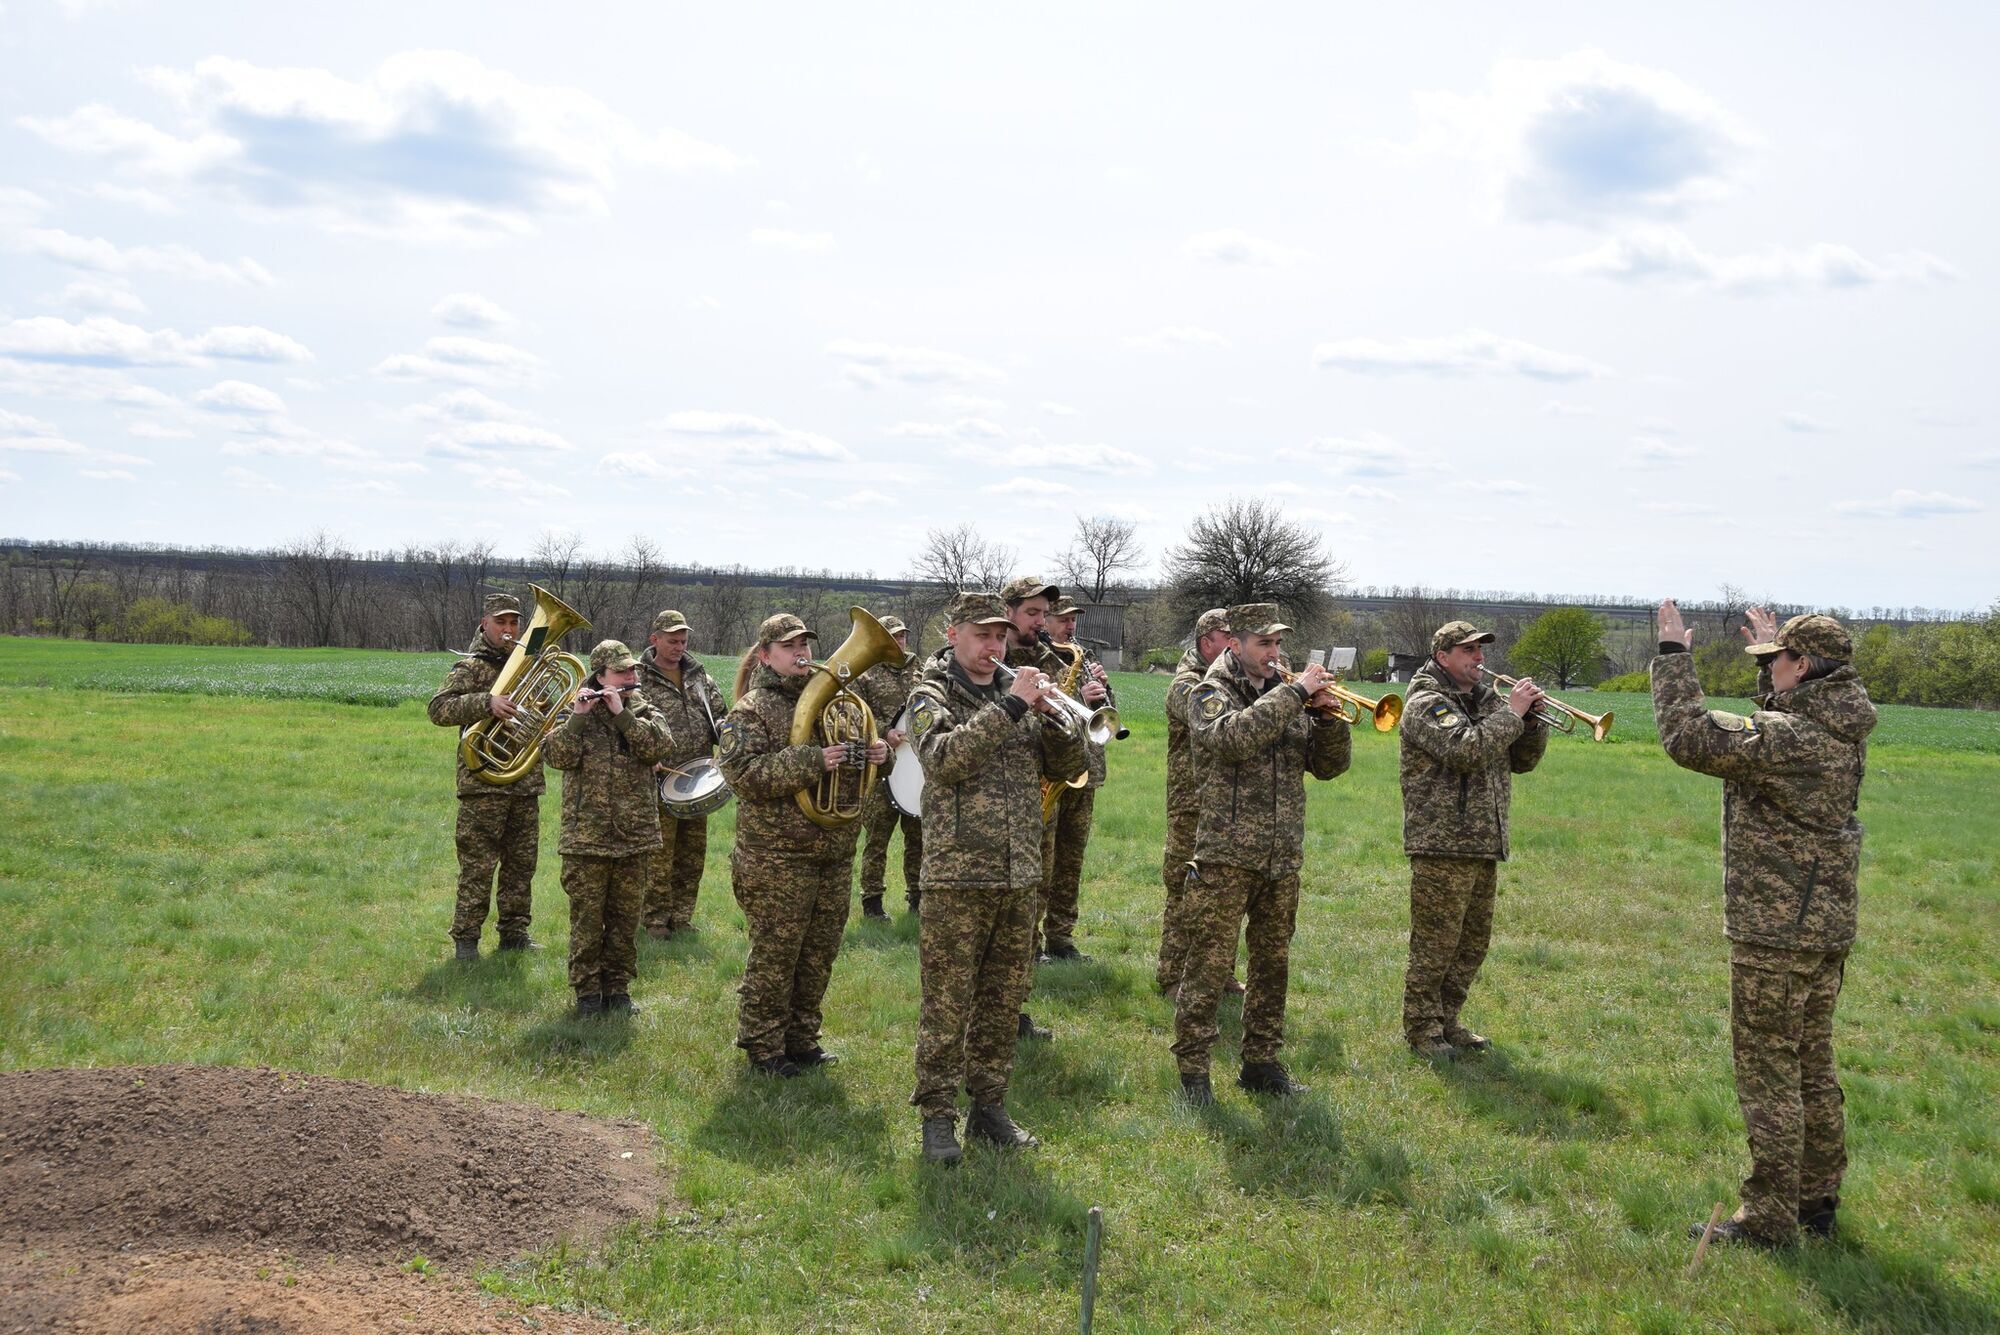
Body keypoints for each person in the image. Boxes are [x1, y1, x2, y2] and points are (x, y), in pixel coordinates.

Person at [1653, 601, 1875, 1249]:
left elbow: (1690, 736)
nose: (1767, 669)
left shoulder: (1793, 739)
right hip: (1822, 926)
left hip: (1777, 931)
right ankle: (1816, 1200)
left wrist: (1672, 658)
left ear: (1803, 667)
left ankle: (1769, 1217)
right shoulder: (1834, 723)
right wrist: (1771, 661)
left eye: (1774, 661)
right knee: (1810, 1063)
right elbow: (1772, 721)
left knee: (1769, 1072)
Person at [907, 592, 1087, 1162]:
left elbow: (1067, 768)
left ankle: (990, 1108)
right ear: (954, 632)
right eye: (981, 635)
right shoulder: (930, 694)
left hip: (1019, 873)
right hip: (958, 876)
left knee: (1002, 1001)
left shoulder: (1020, 693)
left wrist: (1057, 718)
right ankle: (937, 1117)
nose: (993, 646)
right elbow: (941, 758)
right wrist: (1010, 706)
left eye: (998, 636)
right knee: (947, 1003)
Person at [1174, 604, 1351, 1105]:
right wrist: (1296, 694)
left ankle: (1262, 1062)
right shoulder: (1209, 691)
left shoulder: (1285, 694)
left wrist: (1327, 719)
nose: (1274, 654)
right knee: (1208, 967)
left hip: (1281, 855)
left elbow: (1329, 768)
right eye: (1263, 644)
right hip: (1225, 854)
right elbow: (1232, 739)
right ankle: (1193, 1070)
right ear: (1234, 644)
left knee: (1272, 966)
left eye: (1278, 644)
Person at [716, 613, 888, 1077]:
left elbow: (856, 768)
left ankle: (803, 1039)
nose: (802, 654)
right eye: (790, 646)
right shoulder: (750, 710)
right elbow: (744, 776)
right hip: (776, 858)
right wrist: (813, 760)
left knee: (818, 954)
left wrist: (877, 756)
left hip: (832, 853)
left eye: (806, 645)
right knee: (776, 955)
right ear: (766, 655)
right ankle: (763, 1046)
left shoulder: (840, 701)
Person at [1397, 621, 1548, 1060]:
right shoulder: (1426, 703)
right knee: (1435, 943)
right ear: (1443, 657)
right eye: (1468, 651)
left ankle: (1448, 1020)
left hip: (1483, 840)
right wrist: (1512, 714)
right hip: (1442, 842)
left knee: (1471, 942)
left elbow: (1522, 761)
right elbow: (1466, 750)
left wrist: (1532, 722)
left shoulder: (1486, 700)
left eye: (1481, 650)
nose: (1479, 658)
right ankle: (1422, 1029)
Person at [996, 575, 1107, 1039]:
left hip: (1045, 790)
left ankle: (1016, 1007)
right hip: (995, 807)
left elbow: (1072, 736)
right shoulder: (991, 662)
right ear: (1009, 614)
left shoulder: (1054, 660)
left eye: (1047, 615)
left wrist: (1080, 706)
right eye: (1034, 614)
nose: (1043, 624)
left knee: (1031, 898)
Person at [541, 640, 674, 1018]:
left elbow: (659, 748)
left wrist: (623, 716)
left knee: (624, 920)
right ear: (600, 676)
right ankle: (587, 995)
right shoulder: (574, 713)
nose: (631, 678)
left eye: (632, 671)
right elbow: (556, 757)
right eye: (621, 672)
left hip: (635, 838)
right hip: (587, 839)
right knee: (586, 920)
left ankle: (617, 989)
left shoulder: (644, 711)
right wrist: (580, 716)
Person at [426, 591, 543, 961]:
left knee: (521, 866)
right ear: (485, 624)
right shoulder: (470, 667)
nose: (509, 630)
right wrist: (485, 702)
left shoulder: (531, 665)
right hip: (483, 784)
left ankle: (514, 933)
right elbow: (438, 709)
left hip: (523, 781)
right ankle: (466, 940)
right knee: (478, 867)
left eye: (514, 622)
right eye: (501, 623)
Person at [635, 609, 730, 939]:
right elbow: (627, 728)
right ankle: (655, 921)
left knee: (692, 854)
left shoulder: (699, 677)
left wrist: (725, 736)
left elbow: (721, 716)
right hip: (656, 781)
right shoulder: (636, 678)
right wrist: (644, 756)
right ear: (655, 640)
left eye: (683, 641)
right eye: (672, 641)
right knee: (659, 857)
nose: (679, 647)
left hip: (697, 781)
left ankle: (682, 916)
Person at [1161, 608, 1240, 996]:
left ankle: (1220, 973)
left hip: (1226, 803)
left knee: (1225, 894)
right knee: (1184, 889)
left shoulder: (1234, 680)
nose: (1236, 645)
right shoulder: (1186, 683)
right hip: (1191, 803)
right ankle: (1174, 975)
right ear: (1208, 642)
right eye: (1230, 637)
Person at [1036, 596, 1114, 962]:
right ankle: (1030, 942)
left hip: (1087, 769)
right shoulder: (1038, 659)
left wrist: (1102, 692)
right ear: (1046, 621)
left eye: (1073, 621)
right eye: (1062, 619)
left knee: (1071, 861)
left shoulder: (1081, 658)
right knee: (1043, 861)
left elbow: (1105, 718)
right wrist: (1078, 696)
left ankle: (1061, 938)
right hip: (1052, 776)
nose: (1070, 626)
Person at [853, 614, 923, 921]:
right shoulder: (865, 674)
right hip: (880, 769)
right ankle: (872, 902)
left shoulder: (922, 672)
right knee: (877, 839)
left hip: (915, 769)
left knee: (918, 838)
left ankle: (918, 898)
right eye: (893, 636)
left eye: (903, 635)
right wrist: (884, 732)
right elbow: (854, 716)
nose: (899, 641)